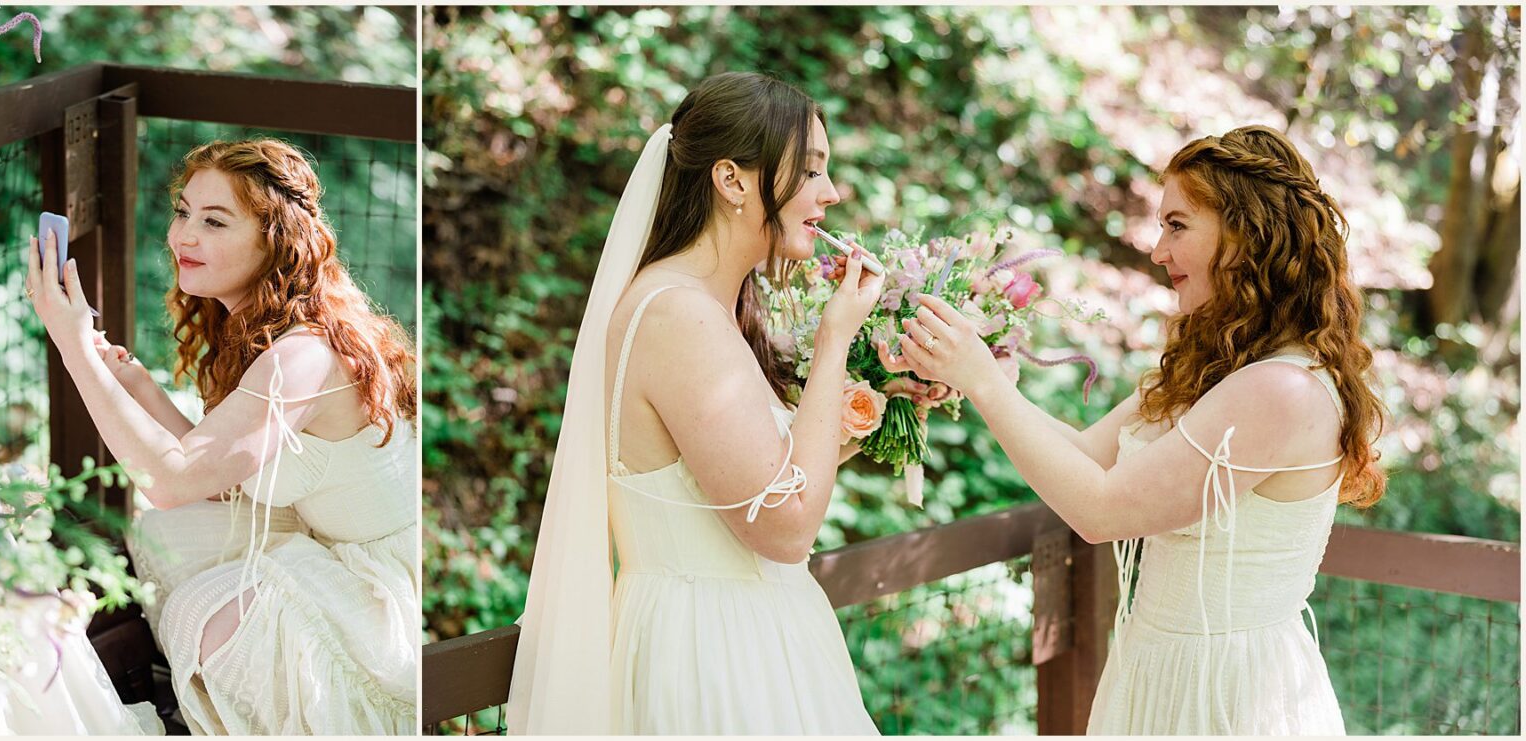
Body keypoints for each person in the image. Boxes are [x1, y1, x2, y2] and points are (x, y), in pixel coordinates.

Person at [890, 125, 1385, 735]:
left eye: (1177, 225)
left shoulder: (1280, 390)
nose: (1156, 250)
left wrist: (987, 388)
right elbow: (1085, 460)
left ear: (1245, 233)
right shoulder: (1217, 366)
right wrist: (992, 383)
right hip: (1156, 666)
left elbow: (1101, 511)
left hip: (1225, 694)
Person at [507, 72, 883, 734]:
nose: (833, 194)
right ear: (732, 180)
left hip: (740, 634)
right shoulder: (679, 317)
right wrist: (834, 339)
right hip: (721, 657)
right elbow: (786, 526)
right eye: (813, 170)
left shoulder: (705, 307)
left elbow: (752, 483)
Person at [25, 138, 419, 735]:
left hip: (380, 587)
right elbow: (215, 471)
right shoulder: (255, 325)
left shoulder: (305, 354)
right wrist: (137, 385)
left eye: (214, 221)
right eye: (183, 212)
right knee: (165, 531)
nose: (184, 236)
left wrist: (73, 341)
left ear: (274, 239)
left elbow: (174, 478)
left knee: (207, 608)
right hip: (324, 541)